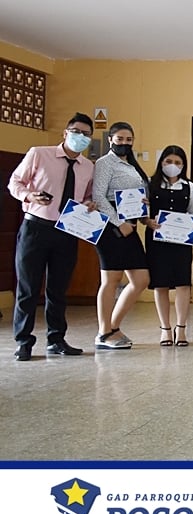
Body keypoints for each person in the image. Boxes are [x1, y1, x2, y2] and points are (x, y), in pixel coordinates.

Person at [8, 112, 96, 361]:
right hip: (36, 227)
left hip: (67, 230)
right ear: (65, 133)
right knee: (28, 288)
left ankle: (56, 339)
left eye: (86, 134)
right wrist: (29, 196)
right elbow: (15, 182)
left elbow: (88, 196)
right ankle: (23, 341)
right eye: (76, 132)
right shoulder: (39, 153)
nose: (80, 137)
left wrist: (89, 203)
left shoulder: (88, 167)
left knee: (58, 289)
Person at [92, 121, 151, 349]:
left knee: (141, 279)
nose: (124, 143)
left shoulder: (131, 165)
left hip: (131, 226)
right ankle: (103, 332)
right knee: (111, 279)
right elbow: (98, 197)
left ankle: (113, 327)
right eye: (120, 139)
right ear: (110, 139)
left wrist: (143, 206)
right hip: (111, 228)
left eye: (129, 140)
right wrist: (118, 223)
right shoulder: (104, 163)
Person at [142, 146, 193, 347]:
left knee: (183, 283)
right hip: (157, 240)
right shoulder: (150, 183)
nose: (172, 166)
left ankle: (181, 328)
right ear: (161, 162)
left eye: (177, 162)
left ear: (183, 165)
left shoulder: (190, 186)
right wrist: (147, 221)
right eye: (168, 161)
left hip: (182, 240)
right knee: (161, 283)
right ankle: (165, 329)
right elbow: (143, 212)